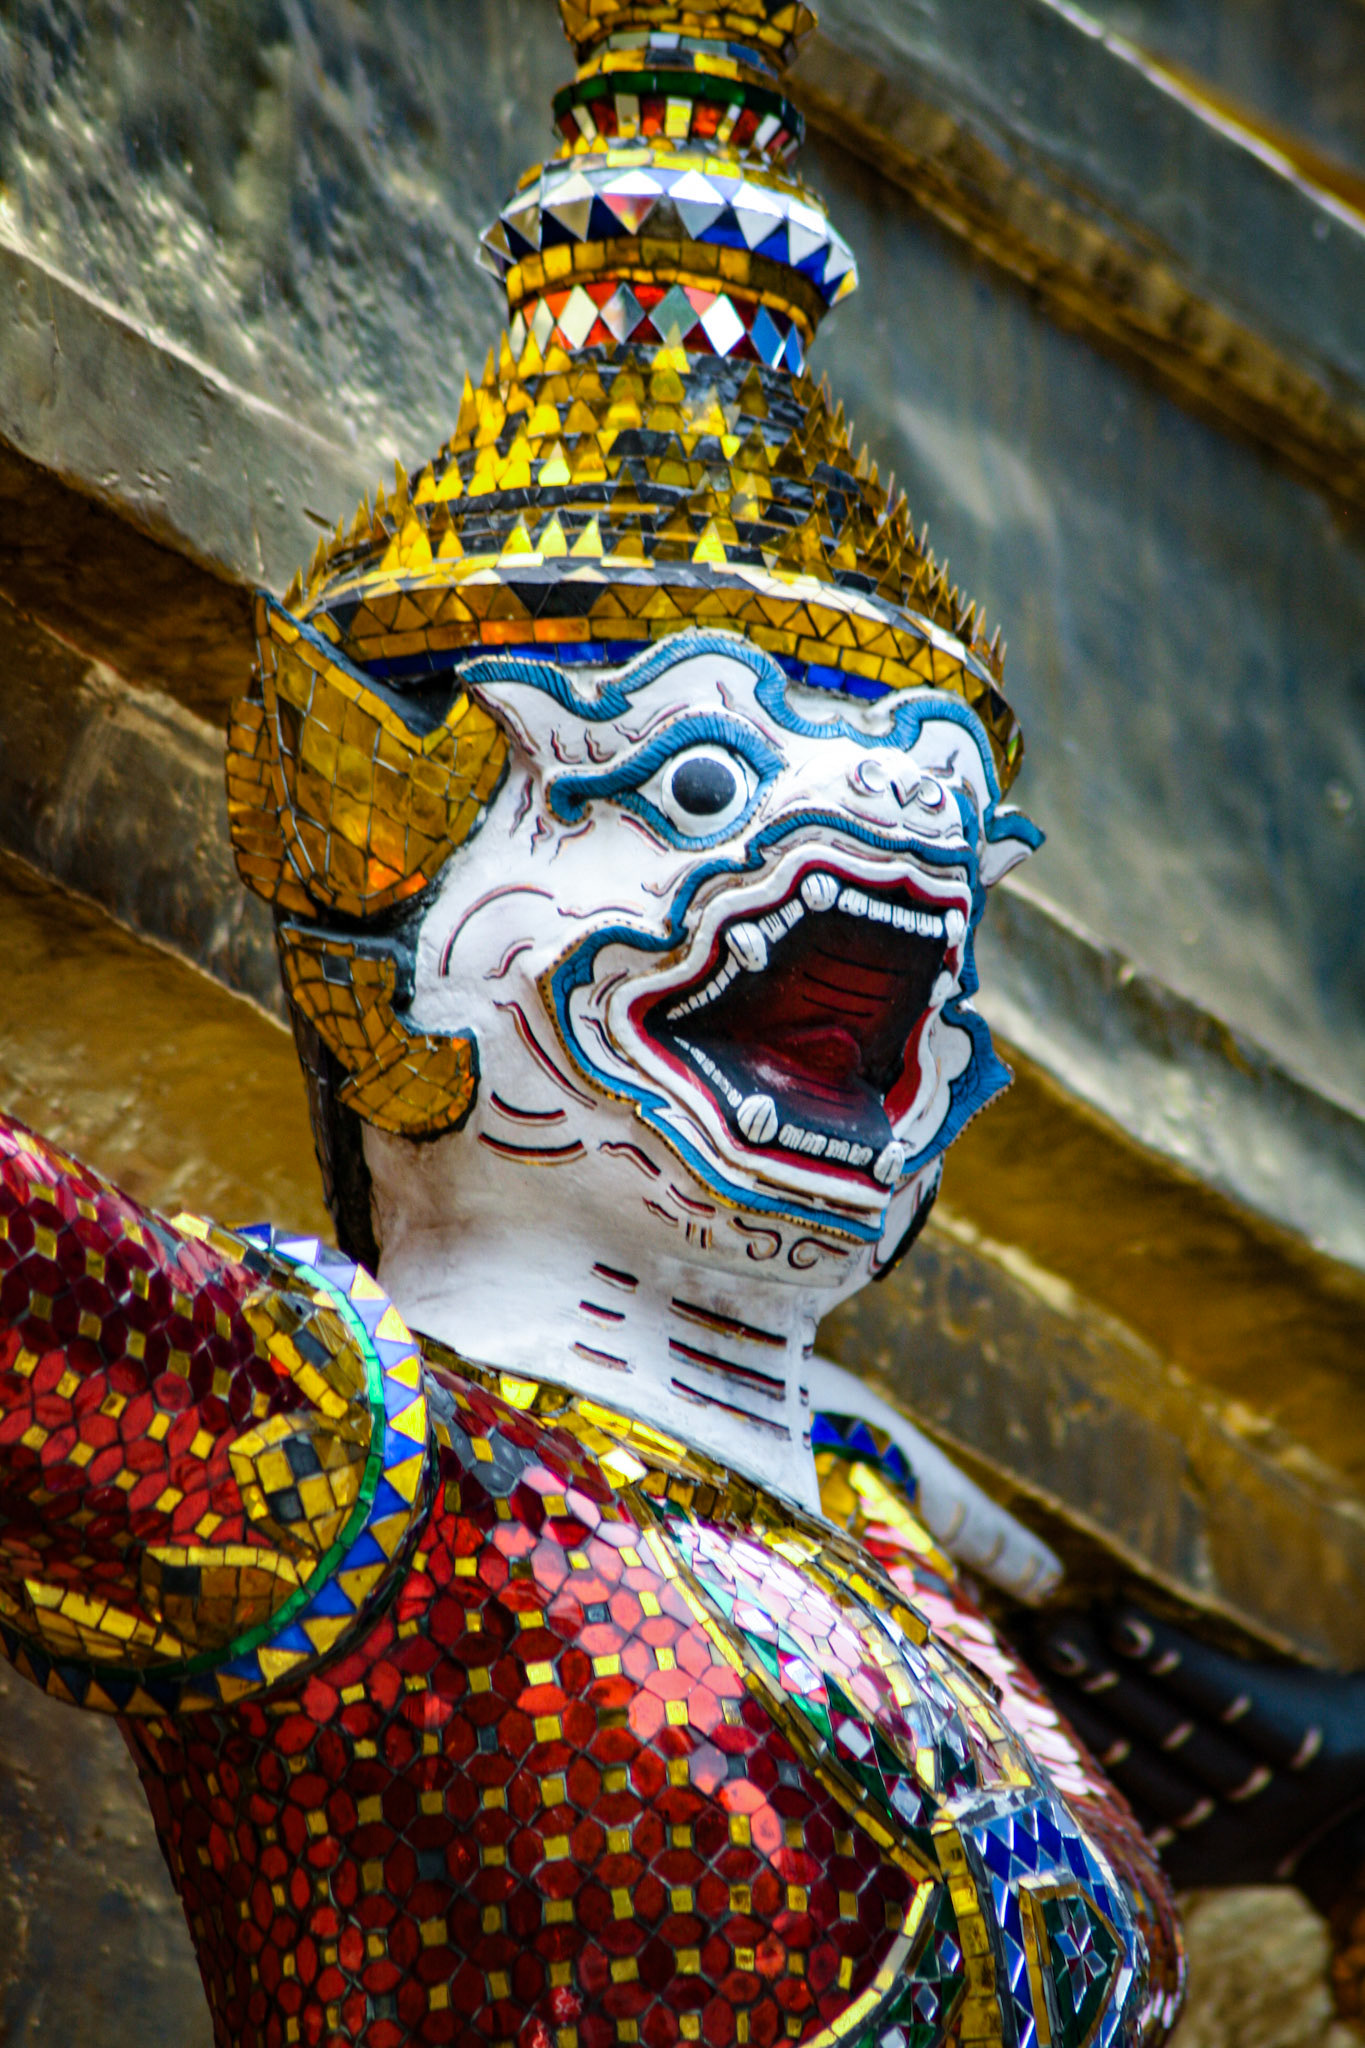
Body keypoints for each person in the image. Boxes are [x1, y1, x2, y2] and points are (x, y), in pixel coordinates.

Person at [1, 4, 1360, 2044]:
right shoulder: (339, 1460)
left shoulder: (902, 1546)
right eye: (702, 793)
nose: (895, 883)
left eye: (942, 862)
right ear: (387, 865)